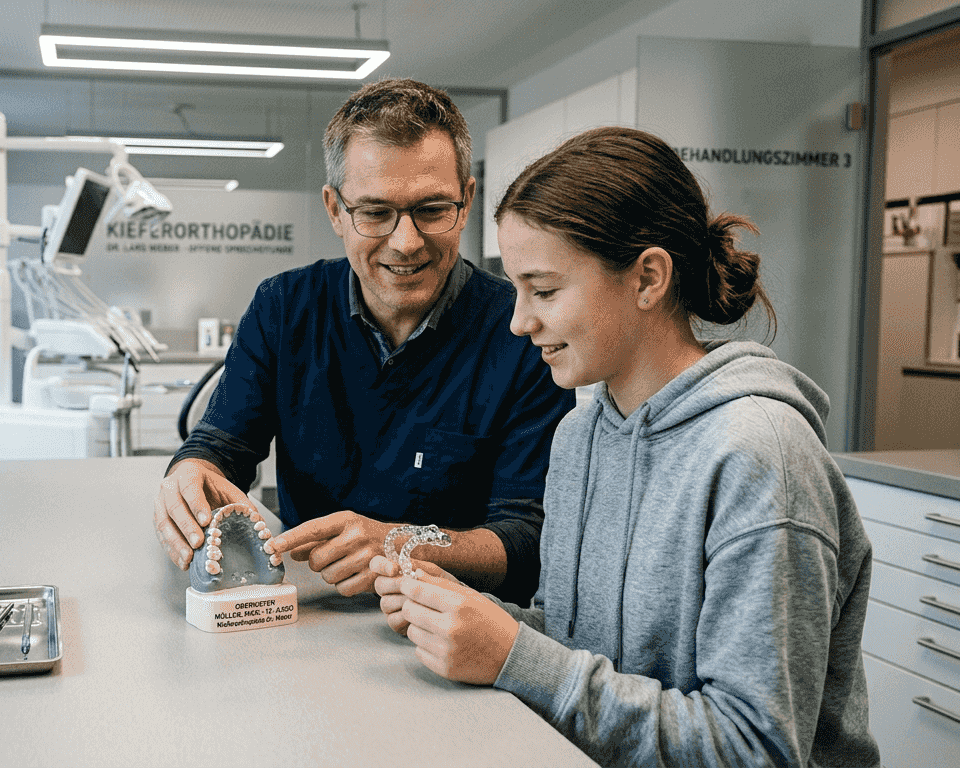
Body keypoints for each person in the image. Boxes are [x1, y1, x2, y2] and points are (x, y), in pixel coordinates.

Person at [373, 126, 880, 767]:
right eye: (516, 287)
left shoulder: (759, 458)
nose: (518, 320)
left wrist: (513, 656)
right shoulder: (580, 436)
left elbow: (757, 750)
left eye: (545, 290)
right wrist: (461, 615)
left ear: (647, 278)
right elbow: (574, 646)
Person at [152, 78, 573, 604]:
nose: (406, 241)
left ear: (466, 201)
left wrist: (405, 544)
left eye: (432, 209)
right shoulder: (285, 308)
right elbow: (222, 445)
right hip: (308, 618)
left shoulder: (524, 333)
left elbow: (530, 538)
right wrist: (192, 471)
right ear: (334, 209)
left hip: (455, 635)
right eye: (374, 212)